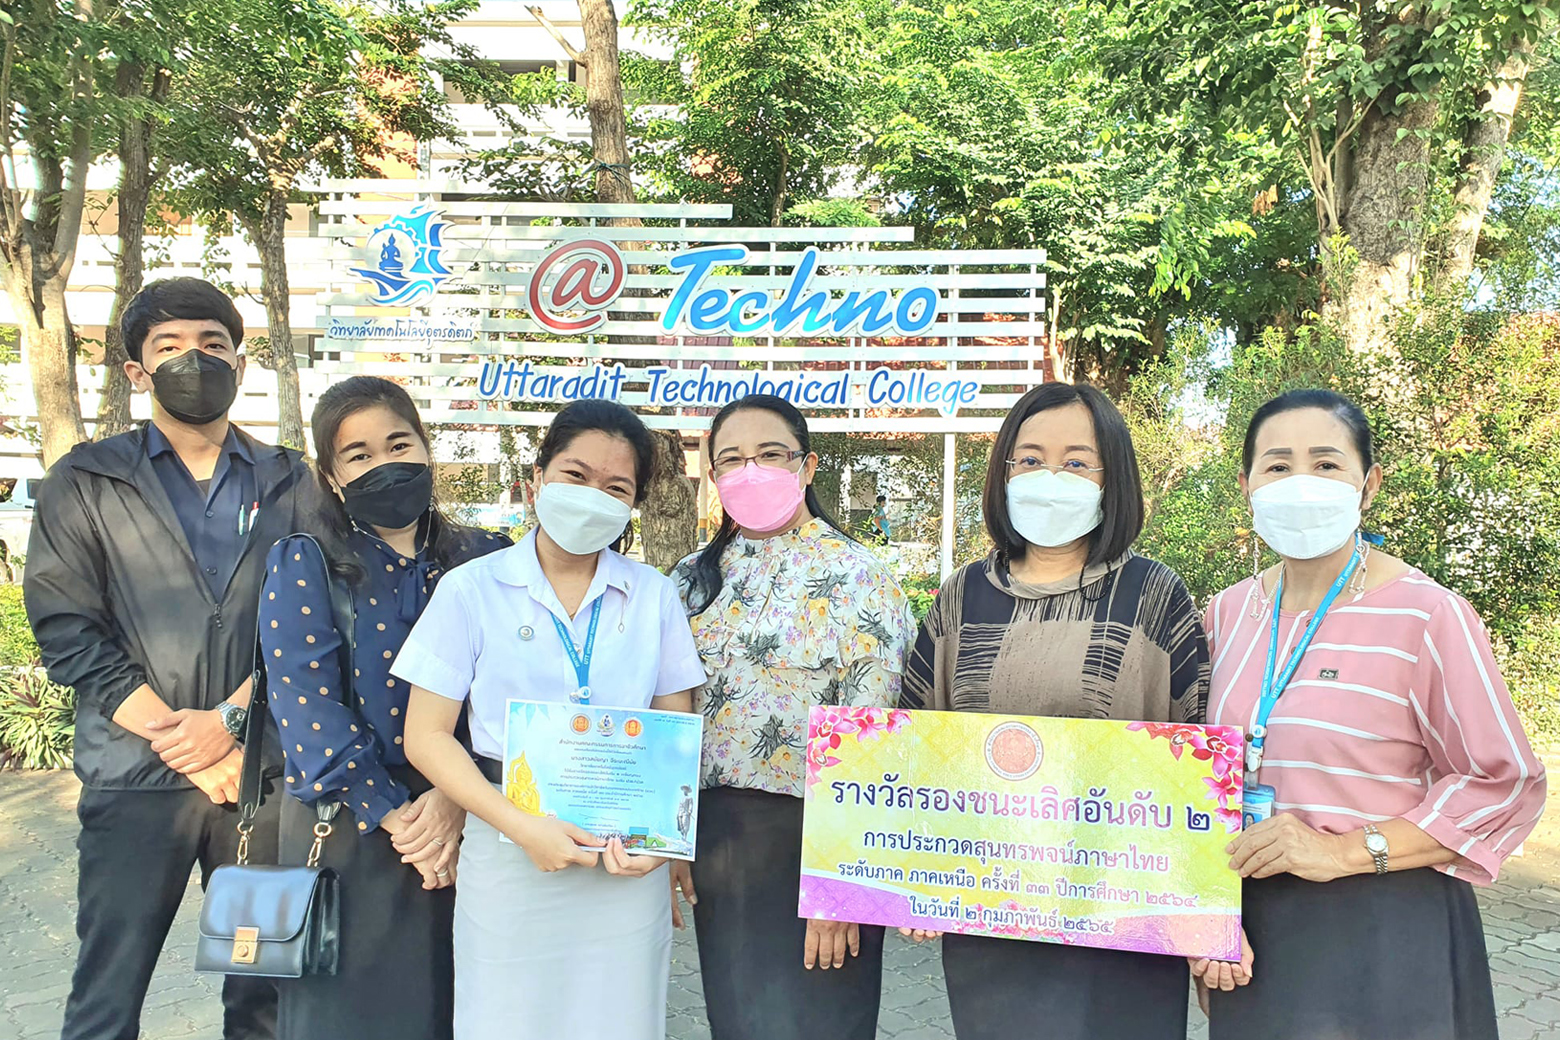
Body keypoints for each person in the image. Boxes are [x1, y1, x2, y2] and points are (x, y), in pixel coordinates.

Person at [1199, 389, 1546, 1040]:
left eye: (1326, 464)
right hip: (1253, 932)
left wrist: (1345, 852)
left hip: (1386, 925)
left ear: (1369, 484)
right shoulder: (1224, 615)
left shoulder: (1427, 614)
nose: (1302, 482)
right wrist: (1201, 924)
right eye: (1278, 466)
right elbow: (1191, 773)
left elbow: (1503, 783)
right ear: (1246, 485)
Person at [24, 277, 315, 1040]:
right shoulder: (85, 480)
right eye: (171, 347)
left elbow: (317, 622)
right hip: (135, 782)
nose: (195, 359)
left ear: (241, 364)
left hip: (261, 786)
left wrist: (231, 720)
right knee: (107, 994)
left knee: (265, 993)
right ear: (136, 371)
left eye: (213, 344)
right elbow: (66, 629)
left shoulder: (294, 481)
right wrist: (185, 745)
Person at [899, 382, 1209, 1040]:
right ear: (1004, 472)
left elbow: (1197, 754)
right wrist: (914, 873)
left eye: (1075, 462)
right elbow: (917, 743)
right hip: (990, 910)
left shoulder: (1152, 595)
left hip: (1122, 913)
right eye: (1030, 459)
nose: (1050, 477)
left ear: (1112, 477)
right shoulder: (962, 597)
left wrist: (1204, 910)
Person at [395, 399, 706, 1040]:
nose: (593, 496)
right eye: (576, 474)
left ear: (634, 505)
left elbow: (675, 722)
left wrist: (663, 844)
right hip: (510, 856)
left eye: (616, 487)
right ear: (537, 479)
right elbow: (425, 737)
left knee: (619, 1020)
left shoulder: (654, 595)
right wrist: (522, 827)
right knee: (506, 1018)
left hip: (625, 866)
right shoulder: (471, 589)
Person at [257, 377, 510, 1040]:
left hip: (475, 818)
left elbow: (511, 692)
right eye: (360, 454)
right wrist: (403, 823)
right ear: (331, 475)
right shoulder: (306, 561)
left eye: (399, 443)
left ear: (427, 448)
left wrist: (460, 797)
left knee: (465, 1005)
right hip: (353, 829)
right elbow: (308, 707)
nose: (385, 463)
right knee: (354, 1016)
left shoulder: (485, 559)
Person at [669, 395, 914, 1040]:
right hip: (718, 841)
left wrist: (843, 885)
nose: (750, 471)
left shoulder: (863, 577)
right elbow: (666, 714)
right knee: (740, 1017)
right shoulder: (688, 582)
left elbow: (875, 742)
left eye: (770, 455)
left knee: (823, 1019)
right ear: (712, 477)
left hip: (819, 839)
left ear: (807, 467)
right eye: (731, 460)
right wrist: (668, 840)